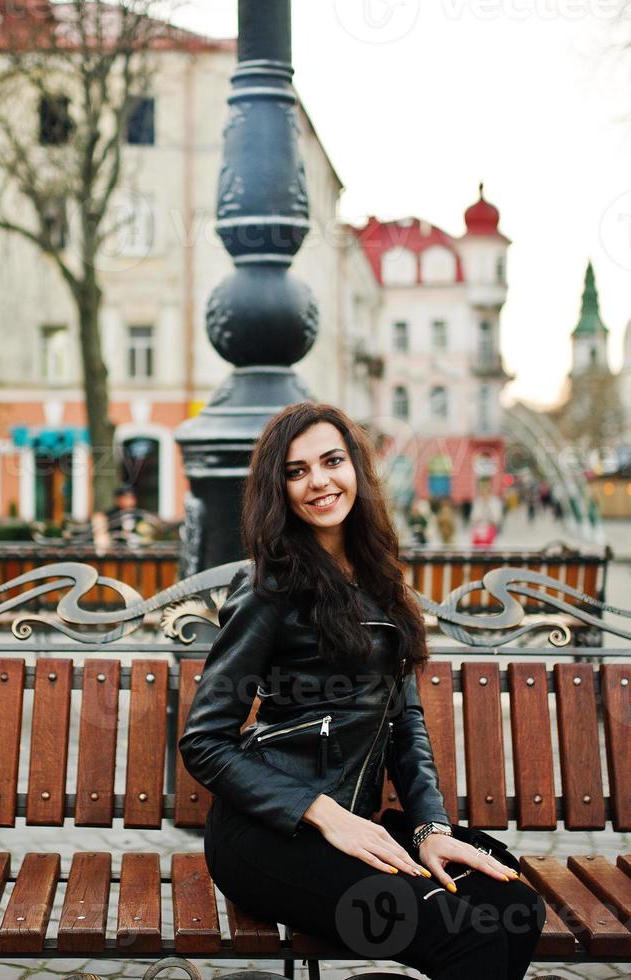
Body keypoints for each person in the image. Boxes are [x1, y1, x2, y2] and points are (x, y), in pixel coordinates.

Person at [179, 403, 545, 979]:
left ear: (357, 470)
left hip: (354, 825)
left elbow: (405, 723)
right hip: (268, 837)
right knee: (464, 940)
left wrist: (431, 829)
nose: (319, 481)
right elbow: (204, 742)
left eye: (332, 461)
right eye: (297, 471)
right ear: (279, 490)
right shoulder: (267, 587)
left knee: (514, 907)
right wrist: (322, 814)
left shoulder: (381, 580)